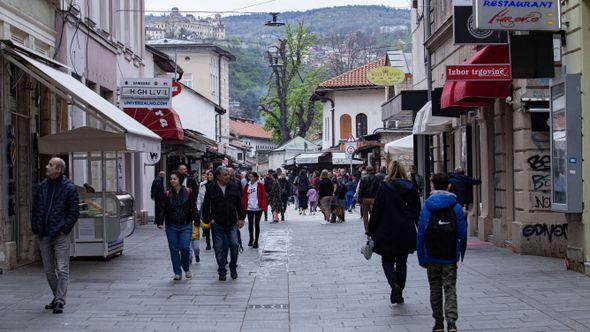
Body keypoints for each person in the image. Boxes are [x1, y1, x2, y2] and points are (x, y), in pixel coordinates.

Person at [417, 173, 467, 332]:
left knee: (435, 288)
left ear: (433, 186)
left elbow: (421, 233)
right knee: (450, 287)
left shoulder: (427, 206)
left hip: (431, 254)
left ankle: (438, 324)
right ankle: (451, 322)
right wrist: (460, 253)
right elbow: (462, 233)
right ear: (449, 186)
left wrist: (421, 256)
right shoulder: (456, 206)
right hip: (449, 255)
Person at [368, 161, 421, 305]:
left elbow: (376, 211)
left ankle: (394, 285)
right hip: (405, 229)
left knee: (387, 259)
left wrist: (371, 230)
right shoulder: (411, 188)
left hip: (387, 229)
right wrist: (420, 229)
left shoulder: (384, 187)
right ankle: (399, 292)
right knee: (402, 262)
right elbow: (417, 212)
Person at [32, 157, 80, 314]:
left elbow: (74, 211)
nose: (47, 166)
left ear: (59, 169)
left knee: (62, 267)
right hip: (44, 233)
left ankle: (59, 300)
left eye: (51, 165)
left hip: (59, 234)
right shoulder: (42, 186)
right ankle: (57, 296)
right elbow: (36, 208)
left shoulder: (69, 188)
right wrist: (36, 227)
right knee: (48, 269)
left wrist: (64, 229)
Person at [202, 166, 245, 281]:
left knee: (234, 244)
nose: (228, 177)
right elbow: (206, 205)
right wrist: (209, 218)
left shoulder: (234, 186)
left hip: (231, 222)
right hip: (217, 223)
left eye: (228, 174)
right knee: (218, 247)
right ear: (218, 176)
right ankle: (221, 270)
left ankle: (233, 266)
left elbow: (239, 204)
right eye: (225, 175)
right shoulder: (211, 188)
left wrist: (241, 218)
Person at [162, 172, 197, 281]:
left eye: (174, 179)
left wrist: (196, 220)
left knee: (184, 248)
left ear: (180, 180)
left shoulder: (188, 192)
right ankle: (177, 272)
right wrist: (159, 221)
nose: (172, 180)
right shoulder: (167, 194)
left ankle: (186, 268)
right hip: (171, 225)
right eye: (171, 179)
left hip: (185, 224)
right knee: (173, 249)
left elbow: (193, 206)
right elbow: (163, 208)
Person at [242, 172, 266, 248]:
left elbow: (263, 196)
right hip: (249, 207)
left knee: (257, 224)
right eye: (249, 177)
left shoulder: (260, 185)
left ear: (255, 177)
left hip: (258, 208)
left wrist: (264, 206)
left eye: (252, 177)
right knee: (250, 224)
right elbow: (244, 196)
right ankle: (251, 238)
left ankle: (256, 241)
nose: (250, 178)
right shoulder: (247, 185)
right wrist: (244, 205)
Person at [358, 166, 381, 233]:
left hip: (365, 199)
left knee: (365, 216)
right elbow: (379, 189)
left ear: (366, 171)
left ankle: (367, 229)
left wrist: (359, 199)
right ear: (373, 170)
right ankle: (374, 228)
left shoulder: (363, 178)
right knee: (374, 214)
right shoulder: (377, 178)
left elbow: (361, 189)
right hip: (374, 199)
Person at [197, 170, 214, 250]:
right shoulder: (202, 185)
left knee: (214, 225)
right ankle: (208, 242)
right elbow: (199, 197)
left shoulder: (216, 184)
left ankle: (215, 241)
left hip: (214, 206)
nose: (209, 176)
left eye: (211, 175)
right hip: (205, 206)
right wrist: (198, 208)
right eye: (208, 175)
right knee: (206, 224)